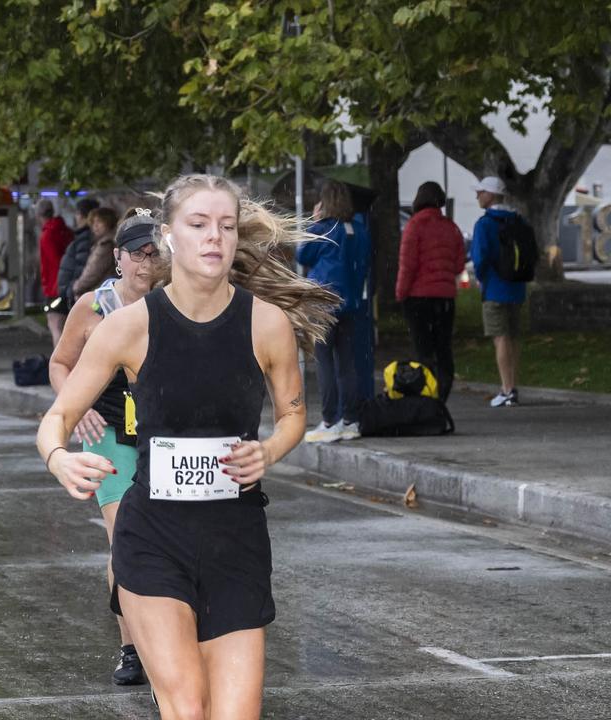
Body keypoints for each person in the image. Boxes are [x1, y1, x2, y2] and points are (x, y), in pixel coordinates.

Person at [37, 174, 337, 720]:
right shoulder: (128, 327)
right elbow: (56, 417)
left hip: (236, 539)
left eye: (225, 225)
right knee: (187, 707)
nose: (214, 237)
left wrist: (268, 452)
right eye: (198, 225)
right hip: (153, 537)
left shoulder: (266, 324)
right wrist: (61, 457)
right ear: (169, 235)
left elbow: (294, 417)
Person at [48, 207, 162, 686]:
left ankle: (173, 636)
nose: (145, 265)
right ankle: (133, 648)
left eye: (155, 255)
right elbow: (59, 363)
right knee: (126, 542)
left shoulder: (178, 303)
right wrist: (80, 407)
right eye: (137, 254)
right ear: (118, 257)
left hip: (166, 440)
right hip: (112, 438)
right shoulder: (94, 307)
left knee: (170, 543)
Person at [298, 180, 370, 443]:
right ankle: (351, 420)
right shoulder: (359, 229)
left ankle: (330, 421)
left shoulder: (324, 229)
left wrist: (314, 222)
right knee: (347, 364)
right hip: (349, 302)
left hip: (322, 303)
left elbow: (302, 255)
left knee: (325, 361)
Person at [396, 182, 466, 402]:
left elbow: (407, 265)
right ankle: (442, 394)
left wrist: (401, 293)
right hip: (445, 297)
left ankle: (427, 395)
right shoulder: (450, 227)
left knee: (423, 348)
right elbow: (459, 264)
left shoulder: (414, 226)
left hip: (418, 297)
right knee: (443, 347)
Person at [470, 176, 528, 407]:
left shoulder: (484, 224)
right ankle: (513, 384)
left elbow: (480, 257)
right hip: (516, 285)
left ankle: (506, 389)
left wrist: (482, 279)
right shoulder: (518, 221)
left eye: (481, 192)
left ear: (491, 195)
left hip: (495, 286)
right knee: (513, 337)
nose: (477, 196)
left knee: (500, 337)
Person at [37, 198, 74, 346]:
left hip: (55, 288)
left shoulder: (47, 236)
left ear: (38, 215)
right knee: (65, 326)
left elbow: (55, 263)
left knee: (55, 324)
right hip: (68, 284)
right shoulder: (66, 231)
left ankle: (58, 364)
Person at [55, 197, 100, 308]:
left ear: (82, 216)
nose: (76, 217)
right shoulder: (82, 237)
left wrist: (71, 289)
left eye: (77, 213)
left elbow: (81, 268)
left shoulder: (85, 239)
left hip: (77, 296)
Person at [71, 206, 121, 297]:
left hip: (101, 294)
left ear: (108, 222)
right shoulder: (103, 242)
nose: (95, 226)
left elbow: (92, 272)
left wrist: (76, 287)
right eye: (93, 223)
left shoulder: (106, 244)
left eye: (99, 222)